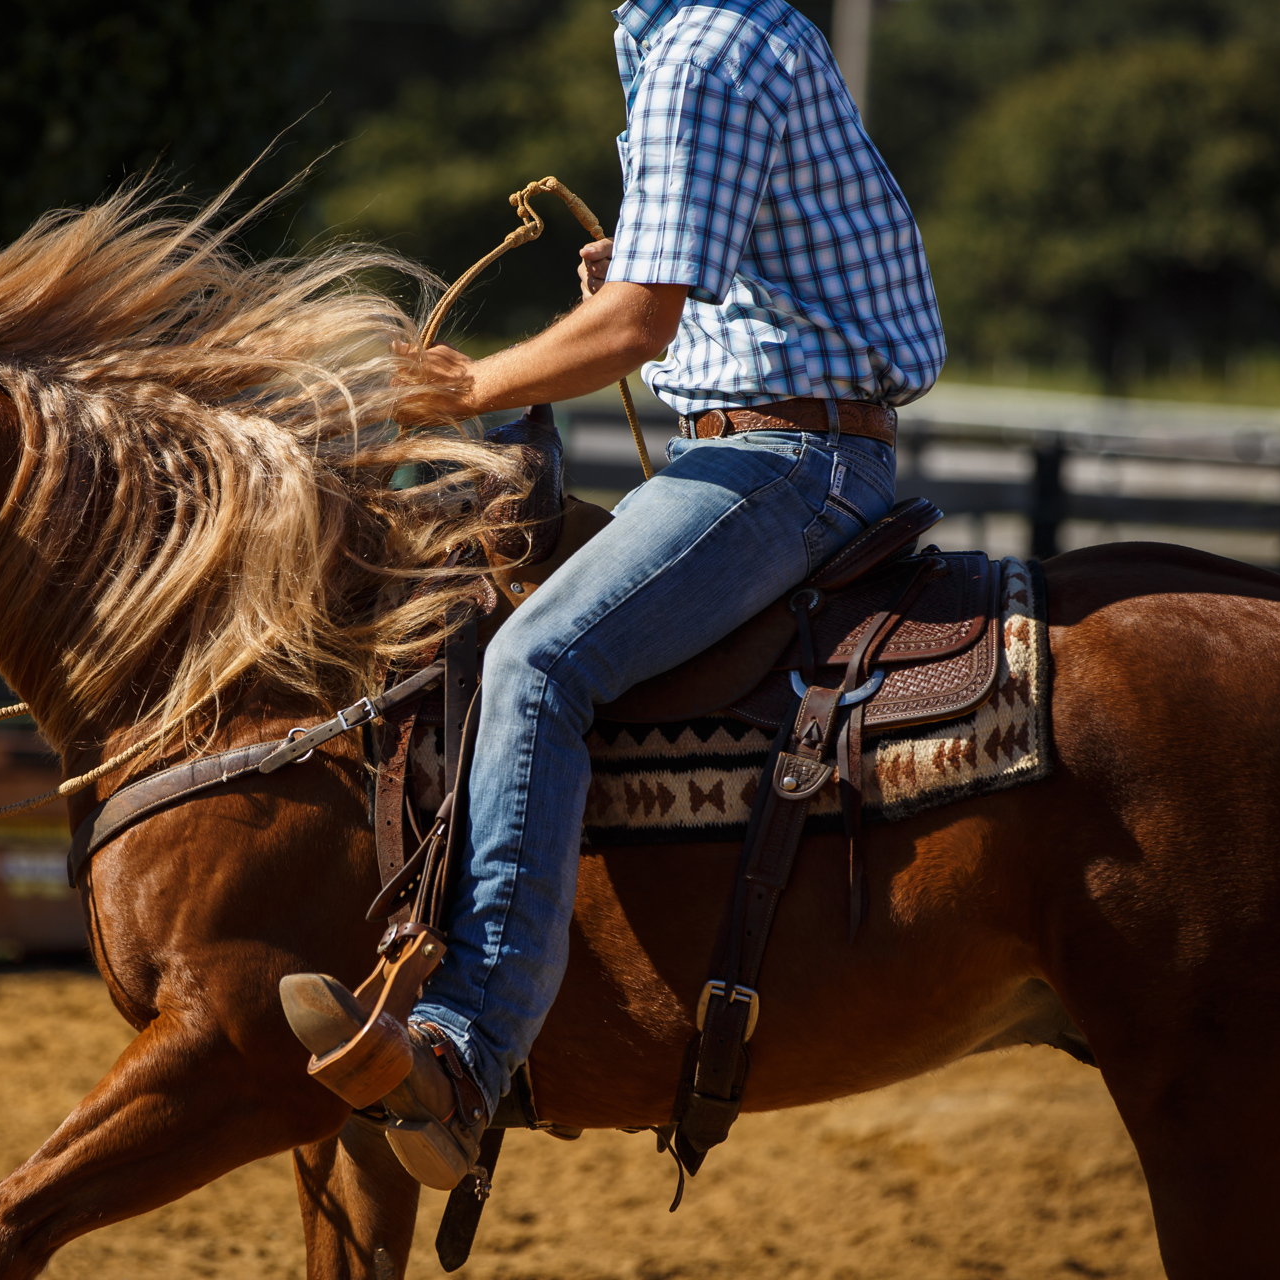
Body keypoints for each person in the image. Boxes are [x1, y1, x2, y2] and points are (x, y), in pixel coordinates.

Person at [283, 0, 945, 1190]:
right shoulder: (709, 34)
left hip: (786, 460)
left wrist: (464, 386)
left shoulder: (703, 50)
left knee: (537, 656)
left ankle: (469, 1054)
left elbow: (641, 325)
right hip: (777, 438)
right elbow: (707, 286)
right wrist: (645, 252)